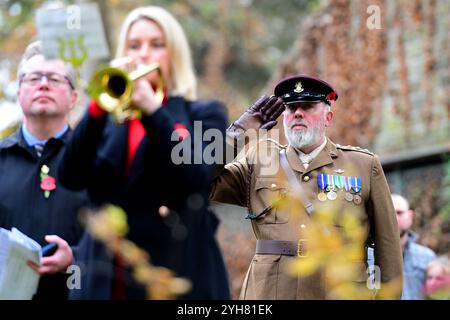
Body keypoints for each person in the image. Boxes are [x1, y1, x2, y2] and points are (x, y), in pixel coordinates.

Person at [59, 6, 230, 299]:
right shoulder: (109, 121)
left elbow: (196, 179)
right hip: (106, 273)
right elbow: (70, 176)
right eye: (134, 45)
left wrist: (153, 110)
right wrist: (96, 111)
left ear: (173, 54)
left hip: (174, 269)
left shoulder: (204, 113)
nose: (143, 54)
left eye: (156, 45)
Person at [210, 75, 403, 299]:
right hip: (271, 293)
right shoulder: (260, 161)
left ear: (328, 117)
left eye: (308, 106)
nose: (297, 113)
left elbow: (388, 248)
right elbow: (198, 181)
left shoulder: (363, 165)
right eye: (291, 108)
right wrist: (239, 133)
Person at [0, 41, 88, 299]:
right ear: (19, 92)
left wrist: (75, 257)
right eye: (33, 78)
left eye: (54, 78)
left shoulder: (95, 162)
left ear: (73, 97)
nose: (43, 84)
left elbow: (117, 242)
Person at [392, 193, 436, 299]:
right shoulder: (371, 256)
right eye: (389, 213)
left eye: (399, 213)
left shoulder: (427, 257)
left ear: (410, 216)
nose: (394, 218)